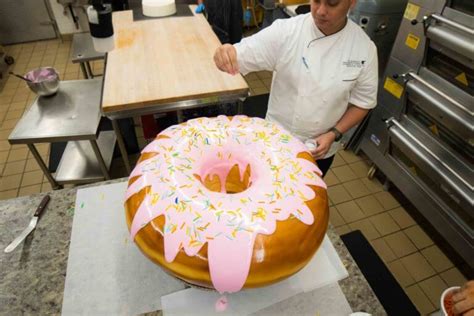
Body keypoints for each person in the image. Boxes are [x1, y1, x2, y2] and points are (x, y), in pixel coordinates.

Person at [213, 0, 378, 176]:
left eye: (332, 3)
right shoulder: (286, 31)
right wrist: (224, 54)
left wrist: (334, 133)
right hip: (273, 141)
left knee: (305, 198)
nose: (321, 11)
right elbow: (239, 54)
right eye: (316, 1)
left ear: (351, 3)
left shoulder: (364, 49)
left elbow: (363, 102)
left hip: (319, 149)